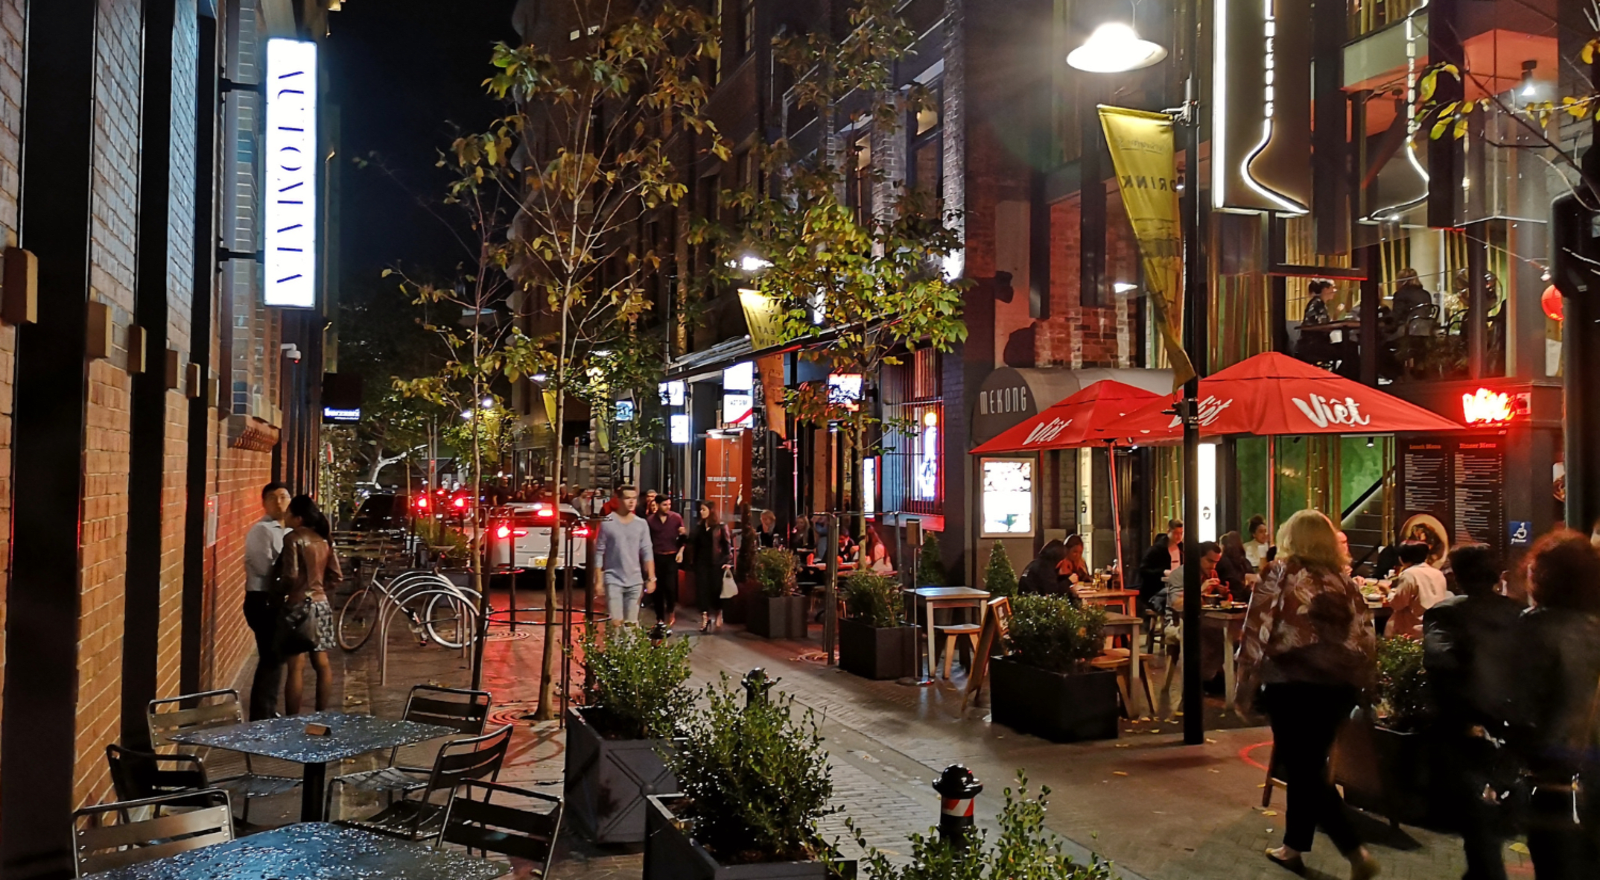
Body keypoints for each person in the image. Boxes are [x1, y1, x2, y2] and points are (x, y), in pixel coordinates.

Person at [1236, 510, 1379, 880]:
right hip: (1339, 687)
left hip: (1292, 682)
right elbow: (1366, 635)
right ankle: (1292, 846)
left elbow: (1257, 630)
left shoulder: (1279, 573)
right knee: (1308, 762)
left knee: (1304, 767)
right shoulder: (1344, 583)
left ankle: (1354, 849)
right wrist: (1365, 685)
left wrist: (1244, 687)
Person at [1424, 544, 1523, 880]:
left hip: (1464, 727)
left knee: (1474, 817)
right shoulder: (1517, 613)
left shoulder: (1445, 613)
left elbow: (1439, 663)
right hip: (1510, 725)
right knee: (1487, 815)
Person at [1508, 531, 1600, 877]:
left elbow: (1519, 700)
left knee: (1555, 861)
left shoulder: (1536, 626)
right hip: (1594, 765)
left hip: (1555, 771)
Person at [280, 495, 342, 715]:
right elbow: (336, 576)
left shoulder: (293, 538)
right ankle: (321, 714)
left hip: (298, 607)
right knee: (322, 663)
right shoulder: (324, 539)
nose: (284, 516)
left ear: (298, 518)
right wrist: (319, 588)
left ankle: (292, 721)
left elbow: (290, 575)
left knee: (295, 667)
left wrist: (278, 592)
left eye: (288, 512)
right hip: (321, 604)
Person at [244, 481, 292, 720]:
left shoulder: (288, 531)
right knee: (271, 656)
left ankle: (266, 710)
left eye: (284, 496)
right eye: (273, 497)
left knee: (275, 657)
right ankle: (261, 714)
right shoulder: (261, 531)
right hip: (261, 599)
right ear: (263, 503)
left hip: (276, 600)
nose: (279, 502)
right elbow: (264, 568)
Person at [596, 486, 655, 627]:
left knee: (631, 624)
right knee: (616, 622)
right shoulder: (607, 522)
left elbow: (647, 551)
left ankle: (630, 649)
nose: (631, 501)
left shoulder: (641, 524)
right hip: (613, 578)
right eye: (627, 498)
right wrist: (598, 580)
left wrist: (651, 577)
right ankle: (615, 647)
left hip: (635, 579)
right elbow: (599, 552)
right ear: (619, 500)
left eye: (634, 498)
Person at [1386, 540, 1449, 639]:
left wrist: (1388, 592)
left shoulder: (1409, 574)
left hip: (1412, 629)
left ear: (1402, 558)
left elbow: (1397, 604)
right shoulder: (1438, 573)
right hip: (1433, 627)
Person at [690, 501, 733, 632]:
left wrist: (727, 561)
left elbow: (727, 547)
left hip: (716, 564)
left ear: (711, 511)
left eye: (704, 510)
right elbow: (694, 545)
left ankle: (718, 613)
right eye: (701, 510)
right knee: (702, 592)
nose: (701, 512)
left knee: (716, 591)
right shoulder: (699, 528)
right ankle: (705, 618)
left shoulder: (720, 527)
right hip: (701, 564)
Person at [647, 494, 686, 628]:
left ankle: (671, 610)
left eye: (669, 504)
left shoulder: (676, 518)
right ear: (657, 505)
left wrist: (681, 551)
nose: (667, 507)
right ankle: (659, 618)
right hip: (656, 556)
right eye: (664, 505)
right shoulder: (650, 521)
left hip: (671, 556)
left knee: (670, 586)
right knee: (658, 589)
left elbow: (683, 538)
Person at [1139, 519, 1184, 610]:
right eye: (1175, 533)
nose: (1179, 537)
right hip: (1158, 589)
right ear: (1168, 532)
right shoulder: (1156, 550)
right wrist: (1163, 572)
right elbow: (1143, 570)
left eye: (1181, 533)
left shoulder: (1183, 549)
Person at [1217, 530, 1253, 602]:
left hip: (1229, 599)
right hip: (1247, 599)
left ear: (1223, 546)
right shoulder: (1246, 562)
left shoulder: (1221, 561)